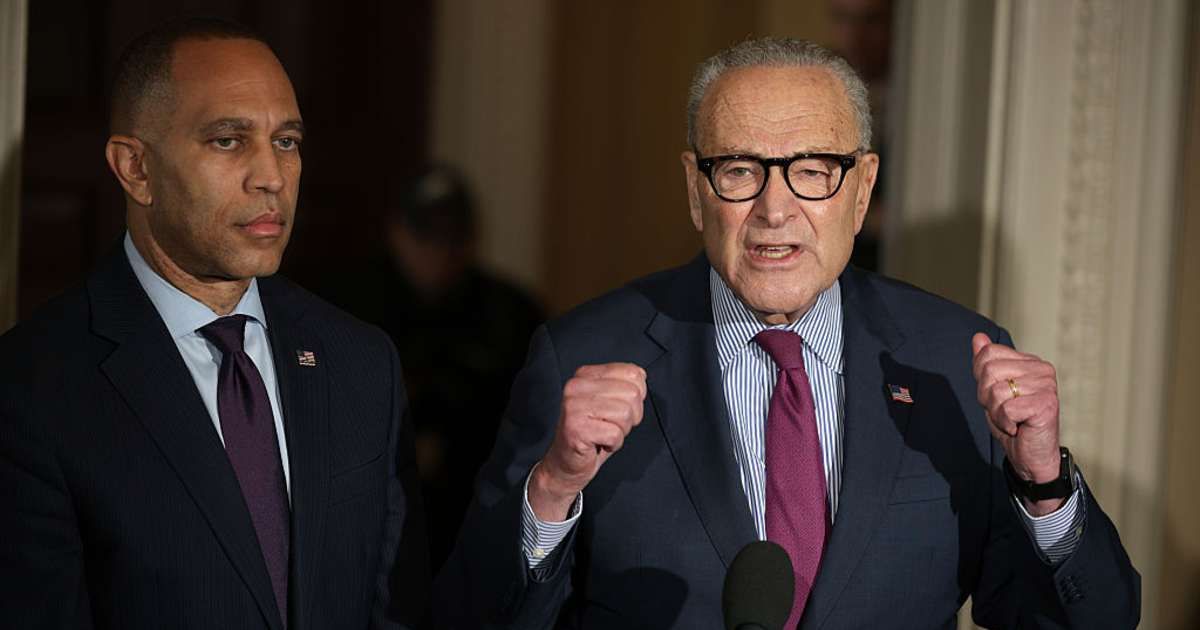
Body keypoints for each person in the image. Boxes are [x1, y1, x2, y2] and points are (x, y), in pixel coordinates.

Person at [434, 38, 1139, 628]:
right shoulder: (582, 354)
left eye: (812, 171)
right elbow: (469, 615)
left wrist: (1044, 481)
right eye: (739, 170)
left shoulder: (953, 358)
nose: (775, 209)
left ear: (862, 189)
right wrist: (553, 488)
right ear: (694, 189)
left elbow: (1093, 618)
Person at [0, 18, 427, 630]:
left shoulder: (361, 361)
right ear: (135, 169)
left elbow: (397, 607)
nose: (272, 177)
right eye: (229, 140)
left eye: (286, 141)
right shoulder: (31, 389)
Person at [328, 165, 543, 571]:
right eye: (426, 237)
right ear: (397, 232)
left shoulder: (512, 314)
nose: (439, 254)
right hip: (366, 515)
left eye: (454, 239)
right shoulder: (346, 308)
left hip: (474, 514)